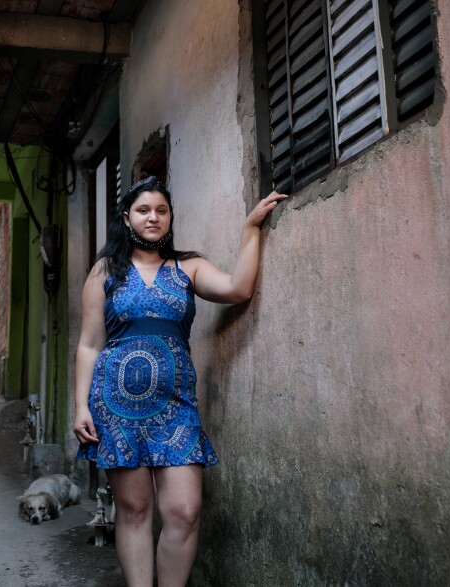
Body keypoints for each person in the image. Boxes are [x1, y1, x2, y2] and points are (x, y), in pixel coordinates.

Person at [73, 176, 286, 586]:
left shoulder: (188, 267)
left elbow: (237, 289)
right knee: (134, 510)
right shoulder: (106, 271)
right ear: (127, 218)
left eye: (161, 210)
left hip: (176, 406)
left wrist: (250, 229)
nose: (153, 217)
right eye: (143, 210)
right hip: (116, 407)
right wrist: (81, 405)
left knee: (185, 511)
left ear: (170, 217)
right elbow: (88, 344)